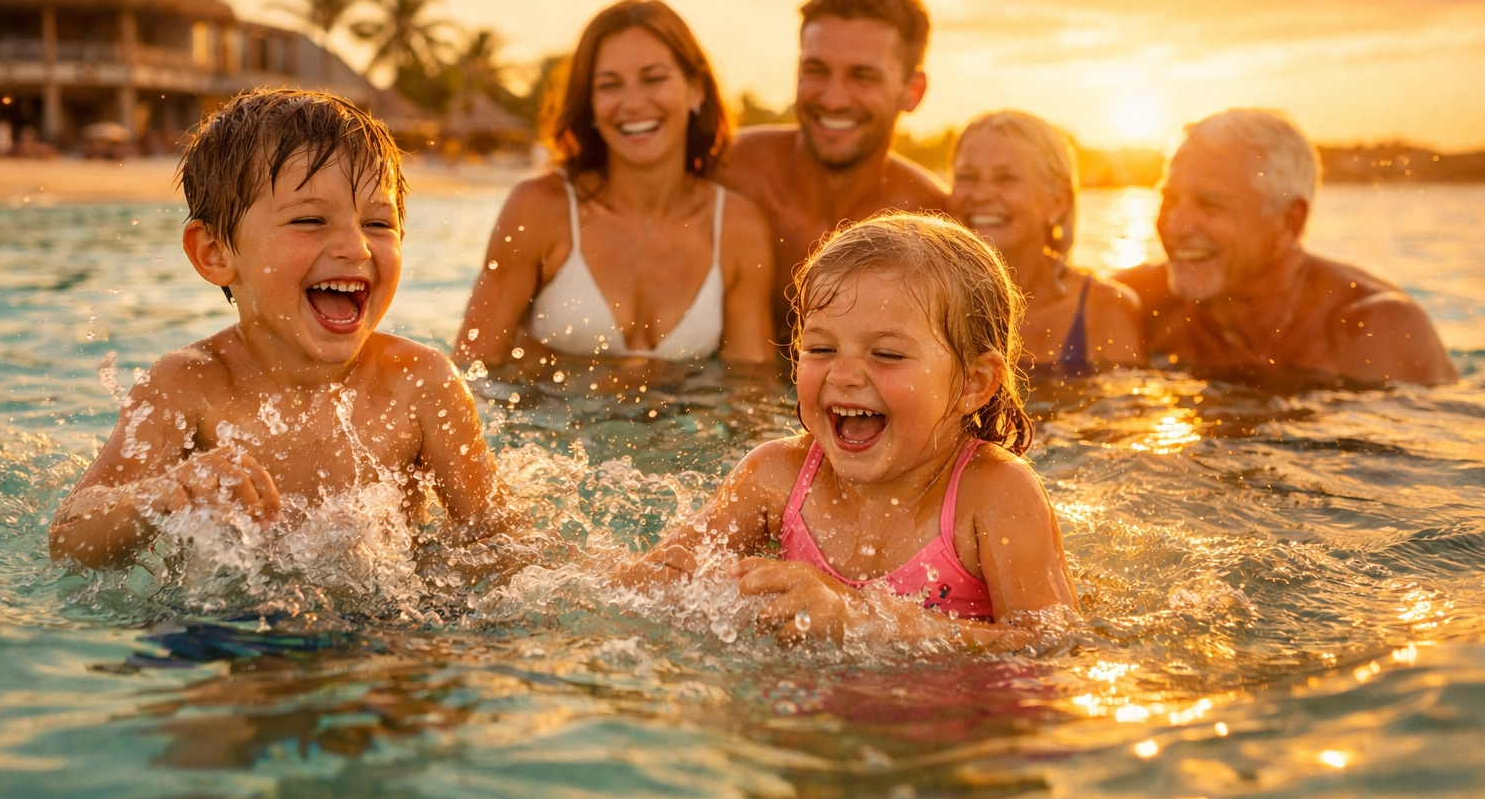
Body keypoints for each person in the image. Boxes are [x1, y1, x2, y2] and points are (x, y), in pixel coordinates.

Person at [50, 89, 509, 569]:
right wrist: (160, 497)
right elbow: (71, 540)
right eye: (310, 220)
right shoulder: (187, 385)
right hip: (221, 624)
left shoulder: (421, 383)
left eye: (378, 223)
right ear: (215, 253)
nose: (355, 247)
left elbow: (499, 535)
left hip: (385, 624)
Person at [620, 214, 1077, 650]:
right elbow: (656, 581)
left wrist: (861, 618)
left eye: (887, 355)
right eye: (820, 348)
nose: (843, 375)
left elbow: (1054, 646)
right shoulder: (776, 475)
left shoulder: (995, 496)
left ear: (973, 384)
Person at [456, 0, 774, 368]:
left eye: (654, 79)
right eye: (609, 85)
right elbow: (469, 370)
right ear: (589, 103)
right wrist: (607, 381)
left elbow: (750, 395)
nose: (632, 103)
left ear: (696, 89)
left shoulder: (739, 229)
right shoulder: (539, 209)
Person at [1116, 109, 1456, 388]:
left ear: (1289, 222)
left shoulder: (1374, 331)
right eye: (1169, 199)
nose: (1175, 225)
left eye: (1210, 205)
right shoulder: (1133, 306)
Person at [713, 0, 947, 332]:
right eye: (816, 70)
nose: (833, 99)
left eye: (862, 77)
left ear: (912, 91)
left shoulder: (934, 224)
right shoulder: (726, 171)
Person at [949, 110, 1143, 375]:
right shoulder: (927, 303)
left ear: (1057, 201)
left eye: (1006, 178)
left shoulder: (1103, 311)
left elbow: (1129, 413)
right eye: (967, 177)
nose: (980, 195)